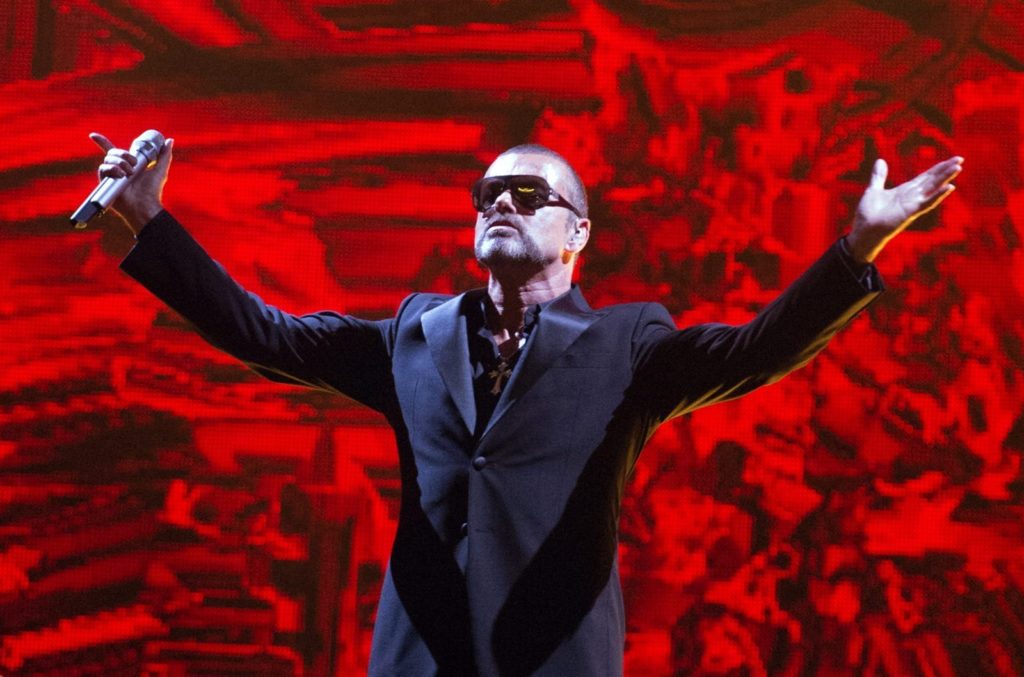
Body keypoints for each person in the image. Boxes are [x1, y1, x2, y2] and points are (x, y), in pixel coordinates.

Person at [90, 132, 962, 676]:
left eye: (530, 194)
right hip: (418, 658)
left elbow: (756, 349)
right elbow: (268, 335)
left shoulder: (629, 347)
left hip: (555, 657)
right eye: (487, 196)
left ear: (579, 232)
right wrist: (149, 221)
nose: (500, 201)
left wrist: (858, 244)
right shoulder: (411, 336)